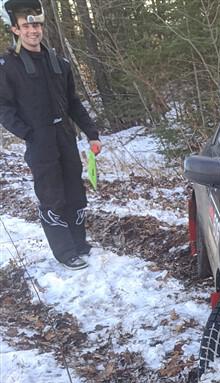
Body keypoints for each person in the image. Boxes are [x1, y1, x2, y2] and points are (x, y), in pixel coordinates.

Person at [0, 0, 102, 270]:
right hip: (39, 140)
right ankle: (65, 251)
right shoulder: (8, 65)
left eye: (36, 24)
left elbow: (73, 102)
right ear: (16, 29)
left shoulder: (59, 61)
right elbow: (4, 106)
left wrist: (92, 133)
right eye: (26, 26)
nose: (33, 30)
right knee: (52, 195)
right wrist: (27, 132)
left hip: (65, 137)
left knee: (75, 192)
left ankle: (79, 243)